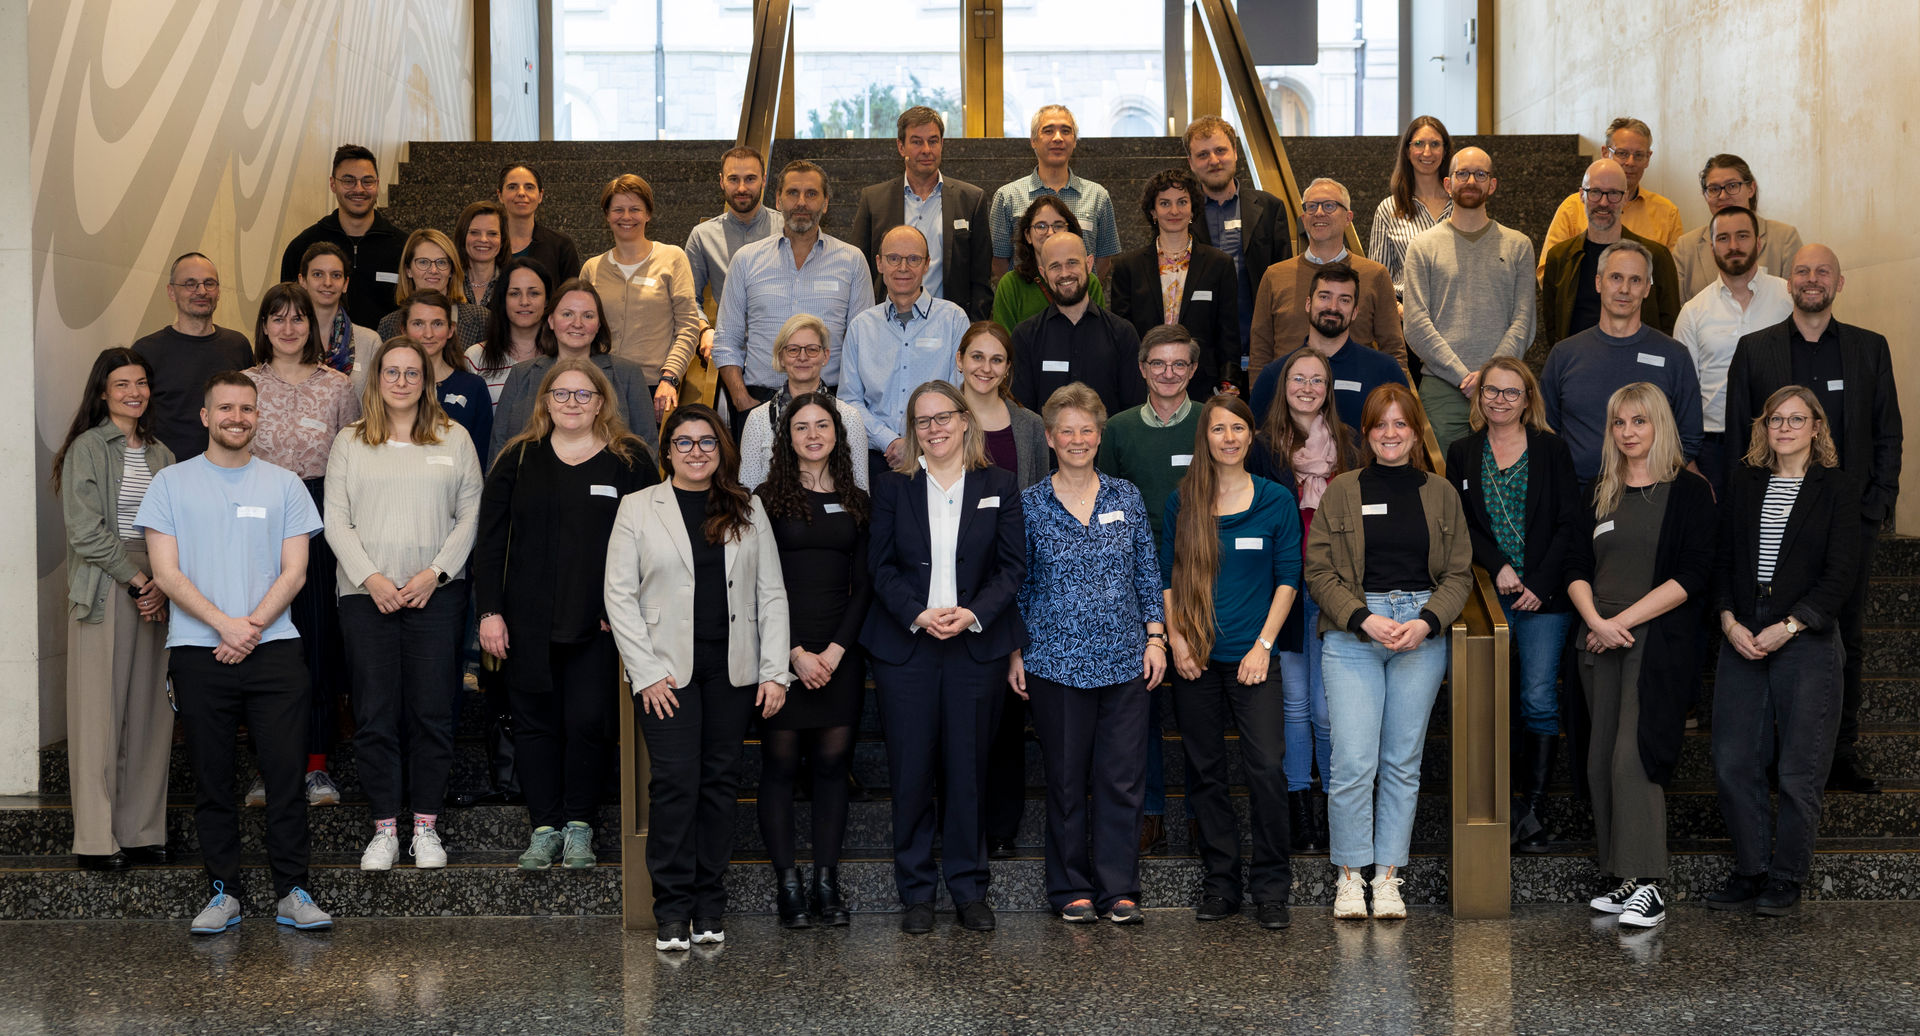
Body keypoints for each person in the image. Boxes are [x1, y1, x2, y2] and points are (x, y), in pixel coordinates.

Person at [136, 371, 330, 933]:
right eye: (225, 408)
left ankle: (293, 893)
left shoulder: (285, 485)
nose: (237, 418)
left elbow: (296, 571)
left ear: (257, 416)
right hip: (199, 652)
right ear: (205, 416)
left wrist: (252, 626)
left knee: (286, 778)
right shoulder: (170, 484)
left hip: (275, 650)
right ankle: (224, 894)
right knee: (213, 782)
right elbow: (166, 572)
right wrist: (227, 626)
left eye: (246, 408)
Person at [605, 404, 790, 952]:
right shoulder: (638, 507)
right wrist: (644, 674)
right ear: (667, 451)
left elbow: (771, 594)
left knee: (719, 786)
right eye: (683, 442)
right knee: (674, 785)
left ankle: (710, 904)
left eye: (707, 441)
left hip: (733, 671)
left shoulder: (747, 507)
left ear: (721, 449)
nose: (696, 451)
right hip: (665, 673)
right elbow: (619, 595)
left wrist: (774, 671)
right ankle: (671, 909)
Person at [1725, 244, 1902, 795]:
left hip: (1848, 524)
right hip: (1772, 520)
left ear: (1839, 283)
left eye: (1823, 271)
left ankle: (1838, 752)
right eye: (1802, 270)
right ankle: (1775, 753)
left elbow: (1888, 433)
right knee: (1774, 631)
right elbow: (1736, 438)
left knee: (1846, 633)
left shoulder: (1870, 348)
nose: (1811, 279)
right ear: (1788, 283)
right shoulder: (1755, 350)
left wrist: (1875, 507)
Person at [472, 359, 658, 871]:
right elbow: (490, 542)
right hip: (525, 622)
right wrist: (489, 612)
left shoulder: (629, 460)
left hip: (600, 622)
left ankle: (579, 826)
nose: (572, 403)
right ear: (545, 401)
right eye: (561, 394)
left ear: (601, 402)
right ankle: (544, 828)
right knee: (534, 727)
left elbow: (653, 541)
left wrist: (629, 607)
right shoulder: (518, 458)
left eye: (583, 395)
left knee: (588, 722)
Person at [862, 381, 1026, 936]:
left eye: (943, 417)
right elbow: (880, 566)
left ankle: (968, 888)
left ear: (964, 421)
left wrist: (973, 613)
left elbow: (1012, 568)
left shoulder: (999, 484)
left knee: (968, 772)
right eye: (923, 420)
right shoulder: (892, 488)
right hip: (907, 648)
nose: (934, 429)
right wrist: (917, 613)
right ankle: (915, 893)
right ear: (913, 430)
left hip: (974, 647)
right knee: (911, 774)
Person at [1306, 385, 1472, 921]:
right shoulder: (1342, 489)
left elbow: (1459, 573)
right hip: (1355, 632)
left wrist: (1427, 621)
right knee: (1353, 762)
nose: (1391, 433)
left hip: (1420, 632)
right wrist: (1362, 617)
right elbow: (1318, 571)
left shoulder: (1441, 492)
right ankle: (1350, 877)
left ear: (1417, 431)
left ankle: (1388, 878)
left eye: (1401, 423)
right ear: (1367, 432)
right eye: (1380, 424)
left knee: (1402, 763)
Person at [325, 338, 484, 874]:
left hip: (435, 596)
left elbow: (470, 515)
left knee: (431, 713)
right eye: (391, 372)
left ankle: (425, 827)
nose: (400, 381)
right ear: (375, 379)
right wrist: (371, 578)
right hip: (365, 596)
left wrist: (434, 574)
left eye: (411, 373)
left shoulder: (454, 438)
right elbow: (336, 519)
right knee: (374, 716)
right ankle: (384, 830)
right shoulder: (350, 441)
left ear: (426, 381)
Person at [1010, 383, 1166, 925]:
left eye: (1087, 430)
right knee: (1065, 779)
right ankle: (1070, 887)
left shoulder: (1126, 496)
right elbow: (1019, 583)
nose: (1077, 439)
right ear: (1050, 438)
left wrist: (1156, 637)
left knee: (1122, 779)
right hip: (1053, 661)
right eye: (1067, 431)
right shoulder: (1030, 504)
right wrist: (1015, 652)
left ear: (1100, 436)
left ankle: (1119, 888)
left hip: (1125, 659)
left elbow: (1146, 569)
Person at [1566, 384, 1716, 930]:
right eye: (1619, 422)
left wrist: (1620, 623)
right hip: (1597, 639)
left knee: (1634, 756)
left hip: (1652, 643)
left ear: (1660, 425)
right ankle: (1623, 874)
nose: (1628, 432)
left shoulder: (1689, 492)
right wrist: (1595, 622)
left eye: (1639, 421)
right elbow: (1575, 566)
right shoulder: (1598, 490)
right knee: (1600, 758)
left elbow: (1693, 574)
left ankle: (1649, 882)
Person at [1706, 387, 1859, 917]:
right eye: (1776, 419)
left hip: (1806, 636)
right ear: (1764, 427)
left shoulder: (1837, 488)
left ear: (1817, 426)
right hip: (1742, 631)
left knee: (1800, 767)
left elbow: (1841, 575)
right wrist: (1728, 620)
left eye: (1797, 419)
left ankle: (1787, 876)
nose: (1786, 428)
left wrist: (1790, 625)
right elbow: (1722, 561)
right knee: (1733, 759)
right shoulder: (1745, 483)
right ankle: (1751, 870)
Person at [1161, 394, 1302, 929]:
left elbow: (1288, 578)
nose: (1229, 438)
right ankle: (1221, 884)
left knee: (1266, 768)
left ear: (1250, 435)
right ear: (1205, 437)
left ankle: (1271, 888)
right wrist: (1178, 642)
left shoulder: (1275, 500)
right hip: (1196, 658)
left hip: (1254, 658)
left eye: (1238, 428)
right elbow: (1167, 578)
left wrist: (1263, 646)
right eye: (1218, 429)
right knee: (1205, 772)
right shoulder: (1183, 501)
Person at [1445, 357, 1581, 852]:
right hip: (1487, 595)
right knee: (1487, 701)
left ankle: (1534, 809)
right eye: (1491, 391)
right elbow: (1461, 524)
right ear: (1479, 396)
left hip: (1546, 596)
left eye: (1511, 392)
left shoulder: (1551, 449)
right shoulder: (1462, 451)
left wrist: (1539, 584)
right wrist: (1498, 564)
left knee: (1538, 698)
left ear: (1527, 400)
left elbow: (1569, 522)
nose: (1499, 400)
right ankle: (1499, 808)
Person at [751, 392, 873, 928]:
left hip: (840, 652)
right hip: (783, 650)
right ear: (787, 438)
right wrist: (795, 653)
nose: (813, 435)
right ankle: (788, 886)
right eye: (801, 427)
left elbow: (865, 585)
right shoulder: (765, 500)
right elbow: (755, 584)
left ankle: (826, 883)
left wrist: (836, 652)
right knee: (779, 765)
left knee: (831, 766)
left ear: (837, 435)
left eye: (822, 425)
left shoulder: (857, 500)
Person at [53, 349, 175, 872]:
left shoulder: (163, 454)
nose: (134, 392)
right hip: (107, 585)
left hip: (158, 582)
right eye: (122, 383)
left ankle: (141, 831)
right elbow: (85, 530)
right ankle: (96, 839)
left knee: (151, 714)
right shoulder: (87, 447)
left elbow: (176, 526)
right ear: (103, 392)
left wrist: (164, 583)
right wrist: (138, 580)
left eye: (141, 382)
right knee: (99, 716)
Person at [242, 283, 361, 808]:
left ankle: (315, 764)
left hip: (318, 511)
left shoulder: (338, 386)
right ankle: (268, 767)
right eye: (278, 318)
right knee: (262, 639)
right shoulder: (244, 384)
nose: (288, 328)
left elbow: (352, 460)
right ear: (264, 327)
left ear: (313, 327)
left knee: (315, 639)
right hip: (256, 514)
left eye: (298, 318)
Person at [1095, 324, 1204, 855]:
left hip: (1201, 577)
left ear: (1193, 370)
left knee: (1200, 705)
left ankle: (1204, 814)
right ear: (1141, 369)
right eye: (1158, 363)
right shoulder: (1117, 430)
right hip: (1136, 582)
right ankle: (1151, 812)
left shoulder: (1211, 421)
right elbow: (1104, 503)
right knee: (1143, 706)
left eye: (1179, 364)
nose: (1168, 373)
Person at [1250, 347, 1361, 854]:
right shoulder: (1261, 448)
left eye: (1318, 380)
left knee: (1326, 710)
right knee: (1295, 706)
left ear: (1329, 388)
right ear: (1284, 385)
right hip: (1286, 592)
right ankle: (1300, 811)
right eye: (1299, 378)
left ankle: (1334, 806)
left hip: (1336, 591)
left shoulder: (1350, 445)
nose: (1308, 388)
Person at [957, 321, 1054, 858]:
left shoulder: (1029, 425)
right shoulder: (941, 416)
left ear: (1008, 368)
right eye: (977, 357)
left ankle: (1001, 826)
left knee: (1006, 712)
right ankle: (959, 823)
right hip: (953, 583)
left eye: (997, 359)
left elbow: (1038, 504)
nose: (986, 368)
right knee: (957, 715)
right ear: (960, 359)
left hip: (1012, 578)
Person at [713, 159, 874, 431]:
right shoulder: (746, 260)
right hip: (759, 402)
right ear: (778, 200)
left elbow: (863, 344)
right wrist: (742, 401)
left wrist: (846, 406)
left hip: (829, 404)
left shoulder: (852, 261)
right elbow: (726, 339)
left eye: (811, 194)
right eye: (792, 193)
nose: (801, 202)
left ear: (825, 203)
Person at [1402, 147, 1538, 456]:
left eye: (1480, 174)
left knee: (1500, 477)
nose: (1471, 181)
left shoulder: (1519, 246)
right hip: (1442, 389)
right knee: (1444, 478)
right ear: (1448, 184)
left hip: (1504, 390)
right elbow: (1416, 324)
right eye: (1462, 173)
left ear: (1492, 185)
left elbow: (1524, 321)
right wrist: (1463, 377)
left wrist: (1490, 377)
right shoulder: (1422, 246)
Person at [1540, 241, 1703, 484]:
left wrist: (1651, 484)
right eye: (1616, 277)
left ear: (1647, 289)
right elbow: (1545, 430)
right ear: (1598, 283)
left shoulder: (1674, 356)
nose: (1625, 289)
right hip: (1576, 494)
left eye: (1635, 280)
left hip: (1650, 495)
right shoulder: (1564, 355)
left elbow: (1688, 437)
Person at [1672, 206, 1793, 492]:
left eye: (1742, 236)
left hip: (1782, 440)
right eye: (1723, 238)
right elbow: (1681, 394)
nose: (1733, 246)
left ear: (1759, 243)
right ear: (1712, 248)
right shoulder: (1692, 312)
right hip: (1714, 448)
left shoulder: (1788, 298)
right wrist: (1689, 463)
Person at [839, 224, 970, 476]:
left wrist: (919, 440)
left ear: (927, 264)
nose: (902, 267)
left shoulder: (954, 320)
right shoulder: (860, 327)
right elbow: (849, 400)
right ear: (879, 263)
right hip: (877, 458)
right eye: (893, 258)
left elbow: (959, 391)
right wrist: (889, 440)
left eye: (913, 259)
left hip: (938, 454)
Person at [1249, 178, 1407, 384]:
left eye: (1329, 205)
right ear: (1303, 218)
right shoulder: (1274, 276)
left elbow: (1393, 349)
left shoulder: (1375, 275)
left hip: (1357, 395)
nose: (1319, 212)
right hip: (1289, 396)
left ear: (1348, 217)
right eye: (1311, 206)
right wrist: (1261, 397)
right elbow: (1260, 350)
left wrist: (1395, 396)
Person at [489, 278, 663, 463]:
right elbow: (499, 446)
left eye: (588, 316)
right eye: (567, 314)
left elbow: (647, 447)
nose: (577, 323)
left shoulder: (628, 374)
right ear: (551, 320)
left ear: (599, 324)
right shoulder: (521, 374)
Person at [848, 106, 994, 319]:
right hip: (886, 324)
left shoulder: (971, 200)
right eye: (917, 142)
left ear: (942, 144)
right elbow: (859, 272)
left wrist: (971, 329)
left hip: (950, 325)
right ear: (901, 147)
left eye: (933, 141)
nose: (926, 150)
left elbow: (981, 278)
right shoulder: (874, 200)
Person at [579, 173, 701, 424]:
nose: (626, 217)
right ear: (607, 215)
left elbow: (688, 327)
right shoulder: (592, 268)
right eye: (618, 210)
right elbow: (580, 331)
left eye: (635, 209)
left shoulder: (672, 258)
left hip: (654, 390)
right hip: (601, 387)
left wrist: (670, 378)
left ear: (648, 214)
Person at [1108, 168, 1240, 398]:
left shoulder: (1219, 264)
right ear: (1153, 211)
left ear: (1192, 209)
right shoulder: (1128, 267)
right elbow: (1123, 336)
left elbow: (1228, 332)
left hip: (1202, 384)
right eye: (1164, 203)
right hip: (1145, 384)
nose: (1174, 211)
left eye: (1182, 202)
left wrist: (1229, 383)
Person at [1185, 116, 1290, 383]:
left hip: (1260, 347)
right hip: (1201, 352)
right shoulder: (1181, 214)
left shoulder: (1269, 208)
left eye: (1220, 150)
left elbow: (1284, 281)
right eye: (1203, 154)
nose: (1214, 160)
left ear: (1235, 152)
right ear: (1191, 163)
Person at [1249, 264, 1409, 431]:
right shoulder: (1274, 375)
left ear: (1355, 312)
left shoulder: (1384, 371)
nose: (1333, 307)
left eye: (1344, 300)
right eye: (1324, 297)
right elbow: (1256, 441)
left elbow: (1407, 434)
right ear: (1308, 304)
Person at [1539, 159, 1682, 344]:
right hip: (1578, 359)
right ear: (1582, 195)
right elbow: (1553, 327)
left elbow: (1669, 325)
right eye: (1595, 192)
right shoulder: (1559, 258)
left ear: (1625, 197)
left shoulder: (1656, 257)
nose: (1603, 202)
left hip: (1639, 360)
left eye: (1614, 193)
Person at [131, 253, 254, 461]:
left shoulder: (237, 345)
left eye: (209, 283)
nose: (202, 291)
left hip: (228, 469)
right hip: (167, 471)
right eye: (190, 284)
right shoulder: (146, 351)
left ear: (219, 291)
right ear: (171, 292)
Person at [1010, 232, 1145, 416]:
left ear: (1089, 264)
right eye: (1055, 266)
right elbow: (1022, 415)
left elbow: (1133, 412)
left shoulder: (1123, 334)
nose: (1065, 273)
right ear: (1043, 273)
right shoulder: (1025, 337)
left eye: (1072, 263)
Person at [279, 143, 408, 329]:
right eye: (348, 181)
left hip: (387, 348)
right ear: (333, 184)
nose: (359, 189)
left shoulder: (403, 247)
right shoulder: (302, 247)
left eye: (367, 181)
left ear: (377, 184)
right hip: (319, 347)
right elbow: (288, 312)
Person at [737, 314, 869, 491]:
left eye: (812, 349)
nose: (802, 357)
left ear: (825, 356)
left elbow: (860, 489)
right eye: (793, 350)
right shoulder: (757, 419)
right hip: (770, 509)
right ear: (781, 357)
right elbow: (747, 491)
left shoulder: (849, 418)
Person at [989, 104, 1122, 279]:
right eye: (1048, 131)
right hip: (1026, 295)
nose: (1058, 138)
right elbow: (998, 260)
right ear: (1033, 140)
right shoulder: (1007, 197)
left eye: (1066, 131)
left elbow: (1103, 259)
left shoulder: (1097, 196)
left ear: (1075, 141)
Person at [1539, 117, 1684, 271]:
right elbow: (1548, 271)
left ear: (1648, 158)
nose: (1630, 162)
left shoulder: (1667, 213)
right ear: (1604, 152)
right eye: (1622, 153)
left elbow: (1672, 275)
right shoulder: (1572, 208)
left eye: (1638, 155)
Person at [1673, 154, 1805, 299]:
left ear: (1751, 189)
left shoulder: (1785, 238)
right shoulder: (1686, 246)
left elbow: (1797, 301)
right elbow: (1677, 306)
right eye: (1714, 189)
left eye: (1732, 186)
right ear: (1705, 195)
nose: (1723, 196)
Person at [990, 195, 1111, 334]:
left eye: (1058, 226)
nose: (1050, 233)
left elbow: (1099, 334)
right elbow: (1003, 341)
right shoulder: (1011, 284)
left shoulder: (1088, 282)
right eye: (1041, 226)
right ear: (1028, 235)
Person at [686, 145, 784, 315]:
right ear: (721, 181)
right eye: (733, 179)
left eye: (750, 179)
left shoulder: (787, 229)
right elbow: (688, 298)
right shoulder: (702, 236)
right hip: (727, 331)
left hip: (780, 330)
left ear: (763, 180)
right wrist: (704, 327)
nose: (741, 188)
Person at [401, 292, 494, 462]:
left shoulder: (473, 387)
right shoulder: (392, 386)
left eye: (437, 324)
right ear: (404, 330)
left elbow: (481, 455)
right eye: (418, 324)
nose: (428, 333)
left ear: (451, 329)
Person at [1369, 116, 1454, 302]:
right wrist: (1397, 310)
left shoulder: (1460, 205)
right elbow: (1377, 279)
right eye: (1418, 144)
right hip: (1405, 312)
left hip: (1455, 311)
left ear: (1445, 151)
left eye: (1435, 144)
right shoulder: (1388, 209)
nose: (1427, 152)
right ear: (1407, 151)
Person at [376, 229, 488, 348]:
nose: (433, 270)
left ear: (451, 270)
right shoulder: (388, 325)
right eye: (423, 262)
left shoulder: (481, 319)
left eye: (441, 262)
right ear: (408, 270)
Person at [466, 257, 554, 404]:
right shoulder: (475, 358)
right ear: (503, 300)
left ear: (546, 300)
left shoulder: (562, 357)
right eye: (514, 293)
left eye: (534, 293)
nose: (524, 302)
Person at [297, 242, 380, 380]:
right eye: (318, 274)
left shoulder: (370, 342)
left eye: (336, 275)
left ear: (345, 284)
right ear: (303, 281)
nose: (327, 283)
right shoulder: (287, 337)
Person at [498, 163, 583, 281]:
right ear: (500, 195)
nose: (521, 193)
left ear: (540, 196)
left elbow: (572, 291)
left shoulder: (561, 246)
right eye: (512, 187)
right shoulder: (488, 244)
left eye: (529, 187)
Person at [455, 200, 508, 308]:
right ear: (463, 236)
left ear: (502, 240)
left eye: (492, 234)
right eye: (474, 232)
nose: (483, 239)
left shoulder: (512, 282)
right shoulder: (448, 281)